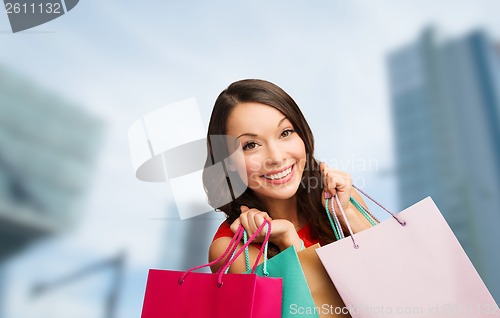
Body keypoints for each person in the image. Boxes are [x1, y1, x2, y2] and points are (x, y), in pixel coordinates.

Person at [203, 79, 374, 274]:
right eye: (251, 145)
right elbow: (318, 305)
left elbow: (399, 269)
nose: (276, 157)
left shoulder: (342, 201)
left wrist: (347, 214)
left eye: (285, 133)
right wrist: (290, 242)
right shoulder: (232, 249)